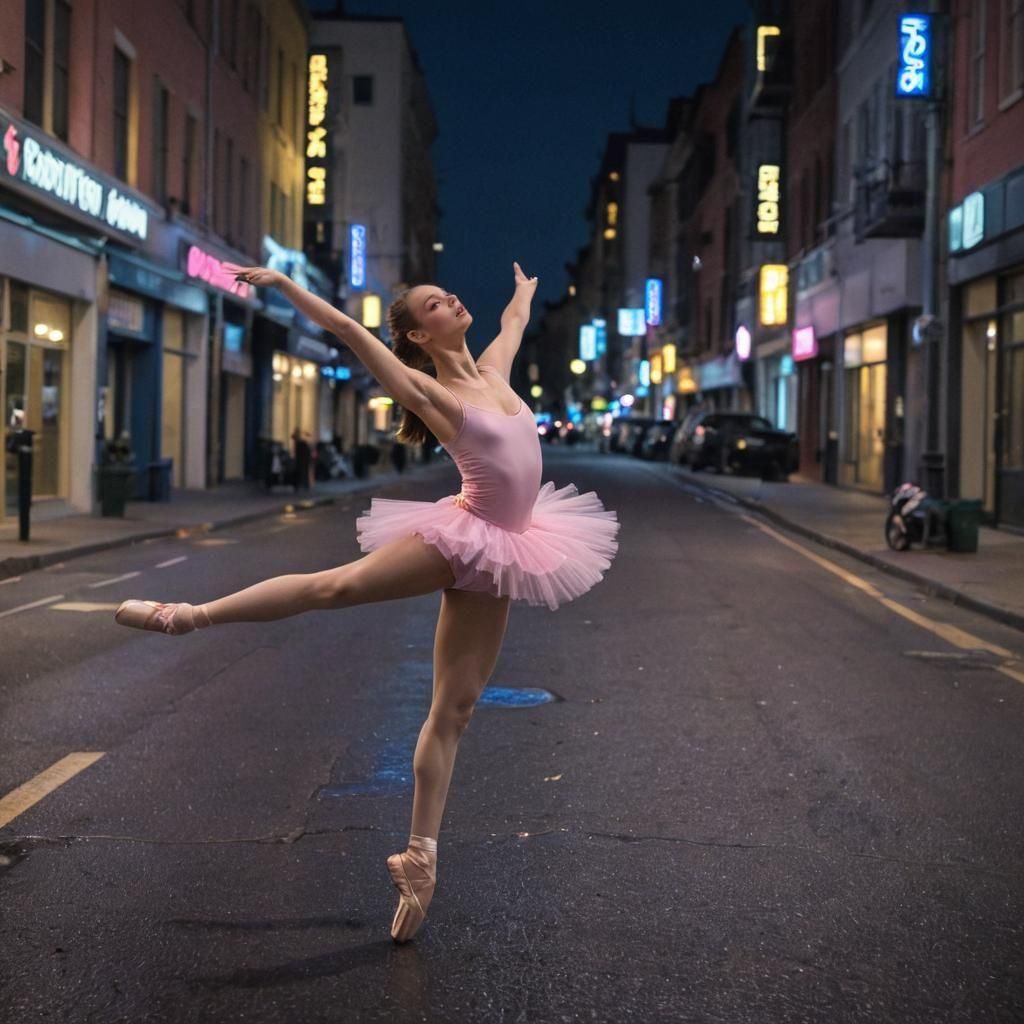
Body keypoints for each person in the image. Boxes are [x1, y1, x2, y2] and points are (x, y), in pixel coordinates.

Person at [113, 260, 620, 943]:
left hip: (509, 546)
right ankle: (187, 617)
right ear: (416, 335)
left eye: (448, 292)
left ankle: (421, 859)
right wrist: (285, 287)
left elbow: (513, 325)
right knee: (337, 586)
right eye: (435, 303)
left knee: (456, 710)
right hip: (463, 535)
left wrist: (525, 296)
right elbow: (349, 328)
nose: (452, 299)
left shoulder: (495, 375)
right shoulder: (426, 390)